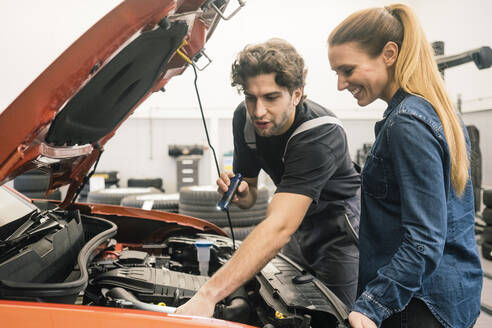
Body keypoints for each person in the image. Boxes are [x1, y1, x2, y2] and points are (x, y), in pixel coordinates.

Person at [176, 38, 361, 316]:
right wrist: (241, 194)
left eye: (272, 97)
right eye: (251, 97)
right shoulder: (246, 119)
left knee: (334, 317)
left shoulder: (320, 134)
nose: (258, 111)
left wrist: (209, 294)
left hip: (338, 233)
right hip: (296, 227)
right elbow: (249, 194)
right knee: (284, 307)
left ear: (296, 95)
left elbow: (279, 226)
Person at [327, 3, 482, 328]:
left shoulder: (407, 124)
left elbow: (424, 239)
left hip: (418, 304)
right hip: (449, 297)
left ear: (389, 53)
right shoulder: (440, 112)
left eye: (348, 70)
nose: (341, 84)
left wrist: (371, 306)